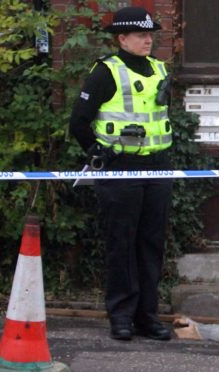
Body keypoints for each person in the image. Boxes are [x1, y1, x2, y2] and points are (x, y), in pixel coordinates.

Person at [69, 6, 173, 341]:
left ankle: (147, 316)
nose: (148, 39)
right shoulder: (106, 72)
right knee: (121, 243)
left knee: (151, 243)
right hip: (121, 167)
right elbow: (79, 123)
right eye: (141, 35)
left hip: (157, 167)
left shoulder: (159, 68)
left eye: (150, 34)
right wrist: (100, 153)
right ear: (122, 38)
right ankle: (122, 316)